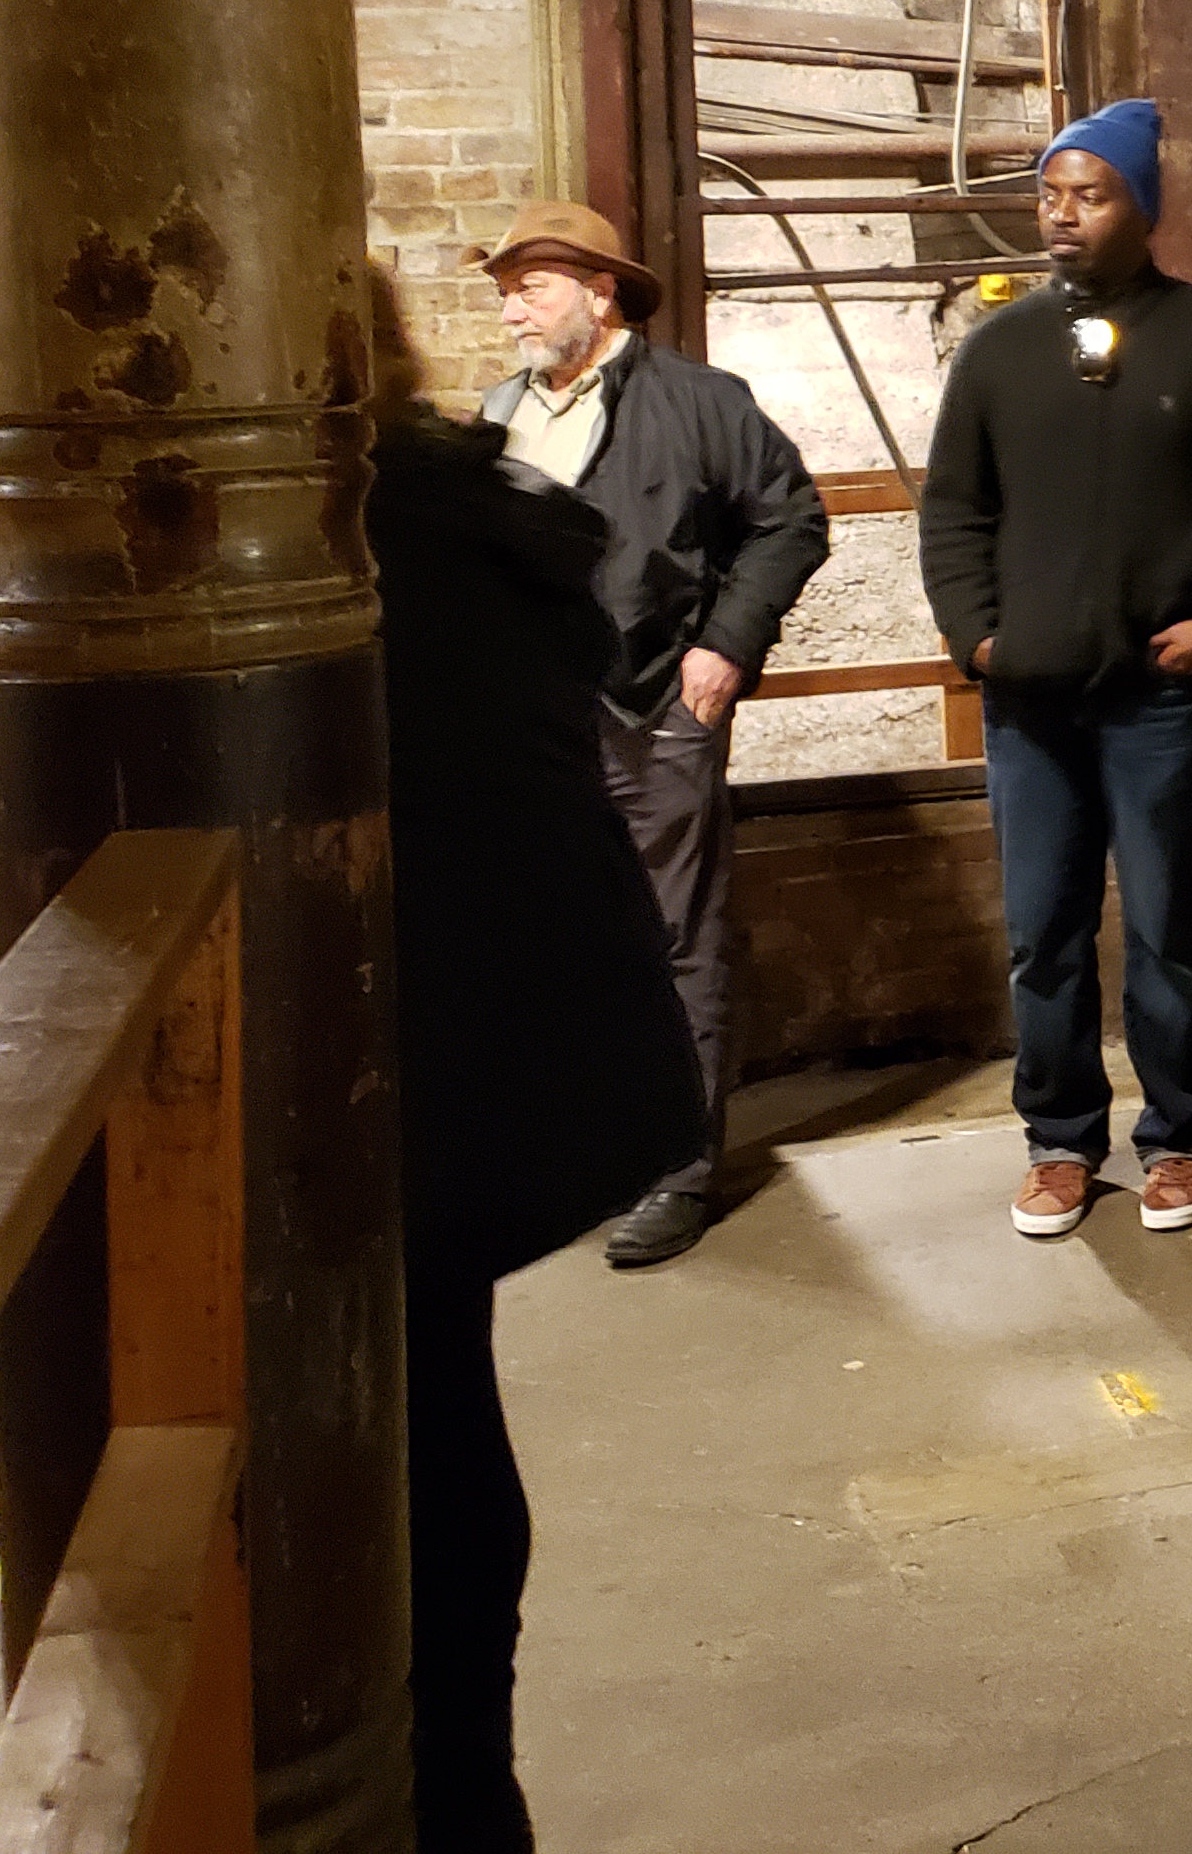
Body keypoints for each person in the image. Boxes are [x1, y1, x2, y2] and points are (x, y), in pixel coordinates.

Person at [368, 275, 707, 1849]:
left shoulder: (378, 536)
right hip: (508, 1028)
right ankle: (462, 1772)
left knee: (419, 1407)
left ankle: (447, 1786)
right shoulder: (462, 491)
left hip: (437, 1037)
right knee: (435, 1388)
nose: (522, 308)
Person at [921, 97, 1192, 1239]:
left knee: (1167, 923)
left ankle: (1181, 1139)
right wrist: (979, 639)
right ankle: (1058, 1142)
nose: (1063, 217)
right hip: (1030, 705)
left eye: (1090, 195)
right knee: (1042, 930)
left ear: (1143, 206)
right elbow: (953, 512)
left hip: (1163, 700)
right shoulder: (998, 351)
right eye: (1051, 195)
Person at [473, 199, 829, 1268]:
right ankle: (594, 1152)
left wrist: (723, 647)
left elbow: (790, 517)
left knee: (676, 938)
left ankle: (681, 1170)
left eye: (528, 290)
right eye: (504, 295)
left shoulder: (696, 402)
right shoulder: (502, 410)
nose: (510, 316)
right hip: (539, 726)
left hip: (652, 714)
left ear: (600, 291)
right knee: (564, 942)